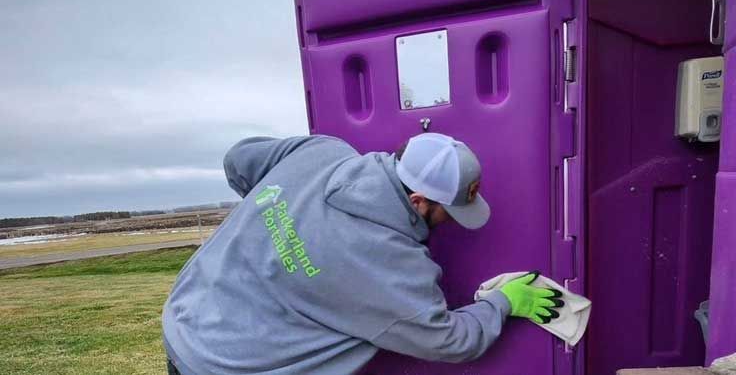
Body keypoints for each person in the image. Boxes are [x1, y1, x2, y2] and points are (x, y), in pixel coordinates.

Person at [162, 132, 563, 375]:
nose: (455, 222)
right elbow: (448, 340)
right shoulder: (391, 266)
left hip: (185, 321)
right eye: (450, 212)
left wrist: (276, 218)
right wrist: (503, 303)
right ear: (420, 201)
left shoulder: (321, 152)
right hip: (235, 367)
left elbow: (238, 159)